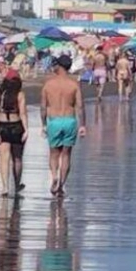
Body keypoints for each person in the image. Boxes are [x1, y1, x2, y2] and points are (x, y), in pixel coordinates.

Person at [40, 55, 86, 198]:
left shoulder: (48, 84)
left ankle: (54, 175)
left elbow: (43, 107)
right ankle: (61, 185)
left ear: (59, 66)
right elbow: (80, 107)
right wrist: (83, 125)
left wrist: (43, 124)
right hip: (69, 120)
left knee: (54, 153)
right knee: (66, 154)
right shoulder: (73, 85)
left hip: (54, 120)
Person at [0, 69, 28, 198]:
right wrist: (26, 129)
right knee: (17, 158)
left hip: (2, 126)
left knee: (4, 159)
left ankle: (4, 187)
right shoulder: (19, 95)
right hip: (16, 126)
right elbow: (23, 113)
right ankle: (17, 183)